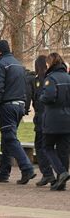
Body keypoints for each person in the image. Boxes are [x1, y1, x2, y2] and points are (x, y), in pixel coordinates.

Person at [0, 39, 36, 184]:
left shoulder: (1, 65)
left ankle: (27, 168)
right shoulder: (19, 65)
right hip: (20, 105)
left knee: (9, 138)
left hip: (7, 105)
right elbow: (27, 87)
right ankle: (4, 172)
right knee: (7, 139)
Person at [39, 52, 70, 191]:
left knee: (47, 147)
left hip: (53, 119)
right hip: (67, 118)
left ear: (50, 63)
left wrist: (42, 97)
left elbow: (49, 97)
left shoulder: (50, 78)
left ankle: (62, 173)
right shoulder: (68, 77)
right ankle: (61, 182)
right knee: (63, 150)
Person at [28, 55, 55, 186]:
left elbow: (36, 100)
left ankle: (48, 173)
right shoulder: (50, 78)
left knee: (41, 146)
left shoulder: (39, 80)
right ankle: (52, 173)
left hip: (42, 118)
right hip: (50, 117)